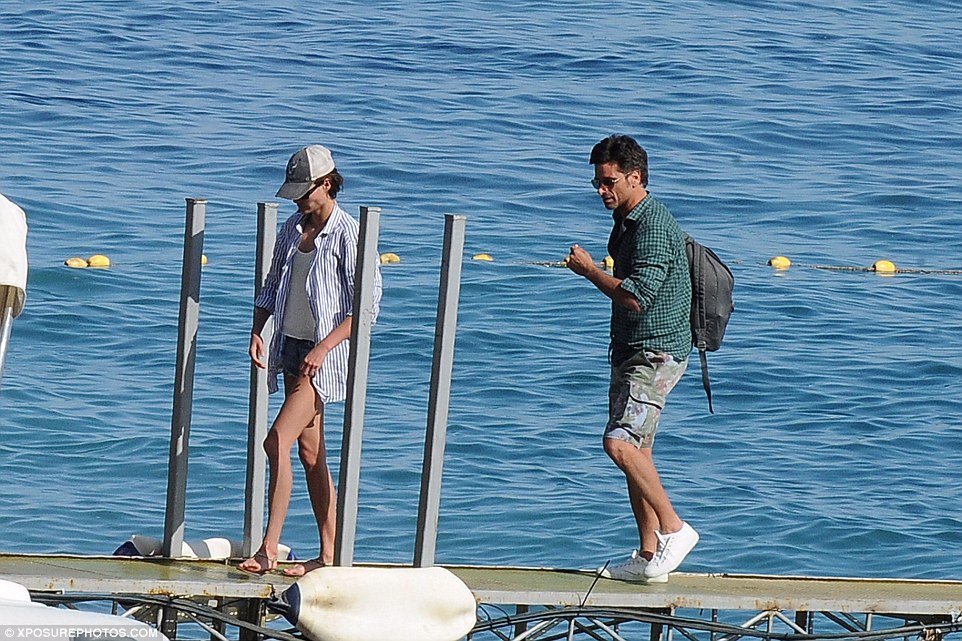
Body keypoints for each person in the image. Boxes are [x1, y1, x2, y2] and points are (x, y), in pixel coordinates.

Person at [239, 145, 382, 576]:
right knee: (310, 453)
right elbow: (271, 284)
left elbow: (367, 306)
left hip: (323, 358)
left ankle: (267, 549)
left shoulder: (349, 234)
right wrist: (257, 329)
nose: (299, 200)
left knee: (275, 442)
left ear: (327, 184)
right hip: (291, 346)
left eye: (305, 191)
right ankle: (329, 553)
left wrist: (324, 348)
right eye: (295, 193)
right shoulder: (292, 228)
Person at [566, 134, 697, 583]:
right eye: (597, 182)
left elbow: (638, 297)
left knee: (619, 444)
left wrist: (591, 273)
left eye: (609, 182)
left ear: (635, 177)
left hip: (657, 351)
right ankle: (647, 555)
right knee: (637, 449)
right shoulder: (626, 219)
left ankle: (675, 531)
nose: (602, 190)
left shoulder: (654, 226)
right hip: (630, 350)